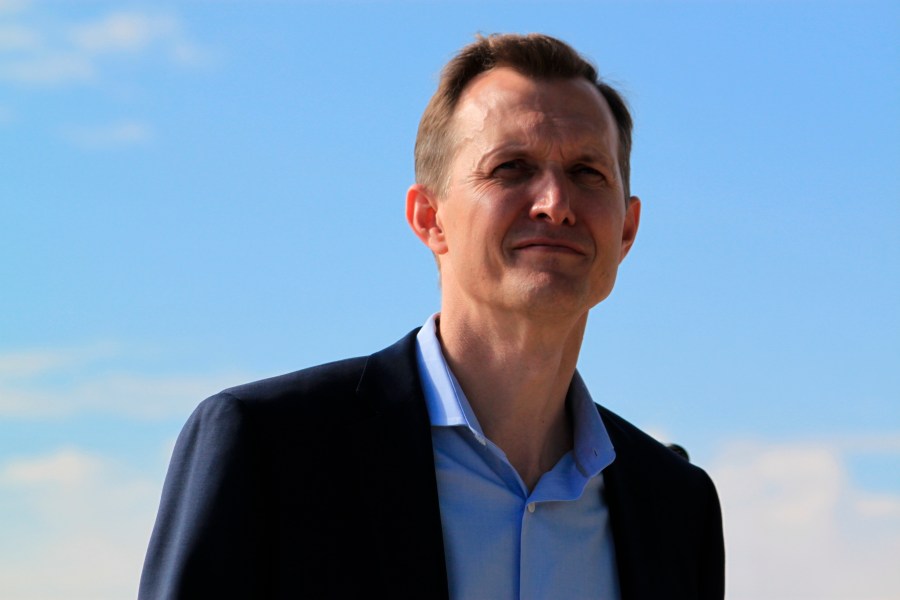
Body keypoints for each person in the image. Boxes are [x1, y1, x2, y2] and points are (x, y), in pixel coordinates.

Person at [139, 33, 724, 599]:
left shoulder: (676, 508)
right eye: (511, 168)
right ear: (429, 218)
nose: (556, 203)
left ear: (626, 228)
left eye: (587, 174)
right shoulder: (269, 451)